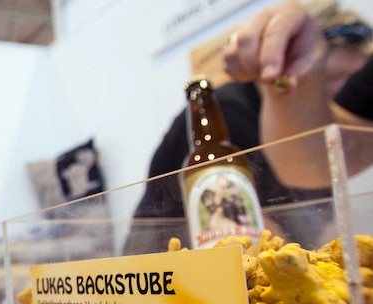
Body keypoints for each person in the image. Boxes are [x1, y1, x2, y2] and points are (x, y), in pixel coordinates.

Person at [124, 1, 372, 254]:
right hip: (163, 260)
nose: (340, 91)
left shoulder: (313, 127)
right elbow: (256, 227)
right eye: (333, 77)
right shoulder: (230, 112)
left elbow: (318, 212)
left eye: (351, 81)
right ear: (303, 64)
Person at [223, 0, 373, 187]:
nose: (339, 90)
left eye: (348, 78)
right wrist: (295, 80)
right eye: (328, 78)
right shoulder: (230, 112)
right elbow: (320, 163)